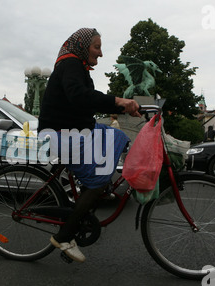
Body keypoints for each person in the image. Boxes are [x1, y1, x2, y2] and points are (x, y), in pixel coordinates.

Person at [38, 28, 140, 263]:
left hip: (76, 129)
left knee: (118, 137)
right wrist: (118, 102)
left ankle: (88, 199)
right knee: (99, 180)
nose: (101, 53)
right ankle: (64, 236)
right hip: (63, 134)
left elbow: (88, 98)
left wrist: (125, 107)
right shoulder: (71, 65)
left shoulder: (76, 66)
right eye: (97, 47)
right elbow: (80, 96)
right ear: (83, 47)